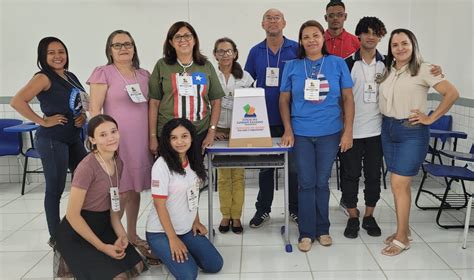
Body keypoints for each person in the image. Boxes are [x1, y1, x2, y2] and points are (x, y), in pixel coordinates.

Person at [379, 29, 459, 256]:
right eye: (395, 45)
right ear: (391, 49)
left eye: (405, 43)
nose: (400, 48)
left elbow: (452, 93)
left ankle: (402, 237)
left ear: (413, 45)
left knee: (398, 183)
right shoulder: (388, 70)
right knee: (398, 185)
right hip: (388, 129)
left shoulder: (425, 69)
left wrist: (431, 118)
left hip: (412, 132)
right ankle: (402, 230)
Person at [279, 20, 354, 252]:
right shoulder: (292, 65)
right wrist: (288, 129)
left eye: (315, 35)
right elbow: (283, 100)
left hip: (329, 132)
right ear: (300, 41)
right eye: (306, 36)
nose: (311, 40)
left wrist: (348, 131)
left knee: (322, 182)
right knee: (305, 183)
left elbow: (348, 99)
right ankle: (306, 232)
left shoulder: (337, 63)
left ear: (323, 39)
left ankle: (323, 230)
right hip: (301, 133)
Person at [10, 37, 88, 247]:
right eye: (51, 52)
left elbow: (79, 103)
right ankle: (57, 238)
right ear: (43, 57)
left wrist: (83, 118)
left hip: (73, 138)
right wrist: (42, 121)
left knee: (87, 182)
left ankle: (83, 227)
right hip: (53, 140)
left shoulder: (70, 76)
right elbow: (16, 101)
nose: (57, 56)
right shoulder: (43, 77)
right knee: (55, 189)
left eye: (61, 51)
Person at [87, 30, 157, 262]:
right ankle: (115, 236)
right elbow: (95, 110)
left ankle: (132, 233)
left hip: (141, 141)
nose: (123, 48)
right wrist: (98, 141)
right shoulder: (103, 73)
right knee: (121, 191)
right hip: (115, 141)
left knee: (134, 189)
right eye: (117, 45)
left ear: (134, 48)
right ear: (110, 50)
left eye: (127, 44)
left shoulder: (144, 75)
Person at [55, 114, 145, 279]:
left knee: (136, 264)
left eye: (113, 131)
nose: (111, 138)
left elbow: (113, 210)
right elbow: (73, 215)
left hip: (103, 224)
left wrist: (122, 236)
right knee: (119, 277)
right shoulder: (87, 168)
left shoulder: (118, 163)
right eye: (103, 135)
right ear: (92, 140)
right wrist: (102, 247)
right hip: (78, 230)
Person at [146, 118, 223, 279]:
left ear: (192, 138)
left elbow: (192, 194)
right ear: (167, 141)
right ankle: (160, 251)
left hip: (186, 228)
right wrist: (173, 239)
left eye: (184, 136)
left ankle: (181, 250)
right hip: (161, 232)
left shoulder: (193, 161)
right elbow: (160, 205)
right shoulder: (161, 166)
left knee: (215, 264)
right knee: (189, 275)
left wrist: (196, 220)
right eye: (174, 138)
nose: (180, 142)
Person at [244, 8, 299, 228]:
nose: (273, 21)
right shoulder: (255, 51)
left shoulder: (296, 48)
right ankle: (262, 210)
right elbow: (246, 84)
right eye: (269, 18)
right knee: (265, 169)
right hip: (262, 121)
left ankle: (295, 210)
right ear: (262, 24)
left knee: (294, 169)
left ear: (284, 23)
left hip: (292, 121)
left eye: (277, 18)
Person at [148, 21, 224, 158]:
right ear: (171, 42)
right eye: (178, 37)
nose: (183, 40)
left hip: (199, 134)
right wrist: (153, 136)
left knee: (195, 176)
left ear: (194, 40)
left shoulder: (206, 66)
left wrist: (211, 132)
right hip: (168, 134)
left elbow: (216, 102)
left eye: (187, 36)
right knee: (168, 175)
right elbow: (154, 103)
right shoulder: (162, 65)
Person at [213, 37, 254, 234]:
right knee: (222, 176)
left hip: (240, 133)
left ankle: (236, 216)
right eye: (221, 51)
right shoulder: (211, 75)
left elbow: (253, 106)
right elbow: (206, 104)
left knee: (238, 175)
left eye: (228, 51)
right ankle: (225, 215)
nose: (225, 55)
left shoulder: (245, 77)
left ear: (235, 53)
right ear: (215, 55)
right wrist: (214, 131)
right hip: (219, 132)